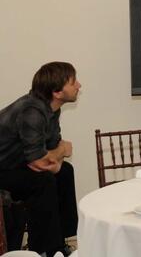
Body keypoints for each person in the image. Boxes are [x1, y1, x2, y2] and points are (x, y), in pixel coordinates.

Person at [0, 62, 81, 256]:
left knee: (65, 172)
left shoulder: (52, 110)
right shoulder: (32, 112)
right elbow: (43, 161)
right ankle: (45, 249)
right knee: (43, 181)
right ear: (57, 92)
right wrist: (57, 154)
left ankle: (63, 239)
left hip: (15, 165)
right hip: (2, 169)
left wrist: (55, 157)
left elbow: (53, 150)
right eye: (73, 82)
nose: (79, 85)